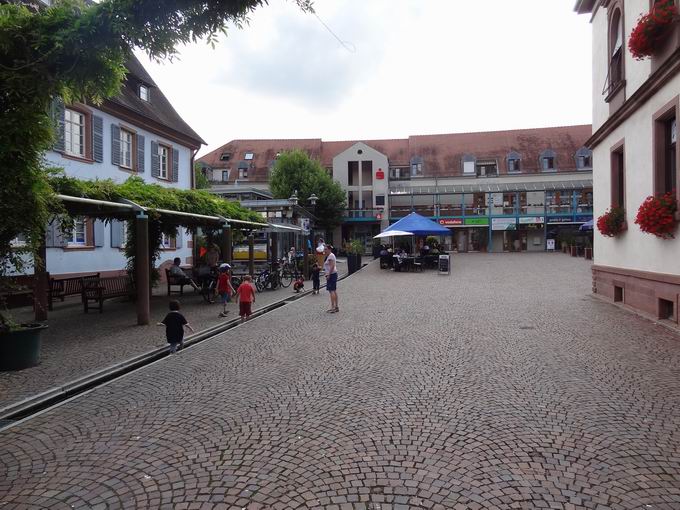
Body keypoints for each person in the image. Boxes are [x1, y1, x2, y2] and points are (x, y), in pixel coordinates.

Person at [323, 244, 338, 313]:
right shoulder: (329, 256)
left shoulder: (331, 256)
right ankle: (336, 306)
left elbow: (332, 266)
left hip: (332, 275)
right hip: (332, 274)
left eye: (326, 249)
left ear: (329, 249)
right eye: (324, 249)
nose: (324, 250)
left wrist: (328, 274)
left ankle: (333, 307)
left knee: (332, 291)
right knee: (333, 290)